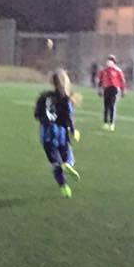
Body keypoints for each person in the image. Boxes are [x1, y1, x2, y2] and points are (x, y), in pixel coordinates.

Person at [34, 69, 81, 198]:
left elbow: (37, 114)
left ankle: (64, 187)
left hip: (47, 135)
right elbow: (68, 117)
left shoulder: (44, 97)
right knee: (68, 157)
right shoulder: (66, 99)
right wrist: (73, 130)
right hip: (62, 134)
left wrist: (46, 119)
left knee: (55, 163)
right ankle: (67, 164)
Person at [97, 54, 126, 131]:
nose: (108, 62)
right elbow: (100, 80)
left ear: (113, 62)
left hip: (114, 89)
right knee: (106, 106)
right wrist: (99, 89)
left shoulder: (117, 70)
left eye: (110, 61)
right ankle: (105, 123)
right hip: (106, 88)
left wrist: (123, 90)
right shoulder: (104, 71)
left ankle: (112, 123)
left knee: (112, 106)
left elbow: (122, 81)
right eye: (108, 61)